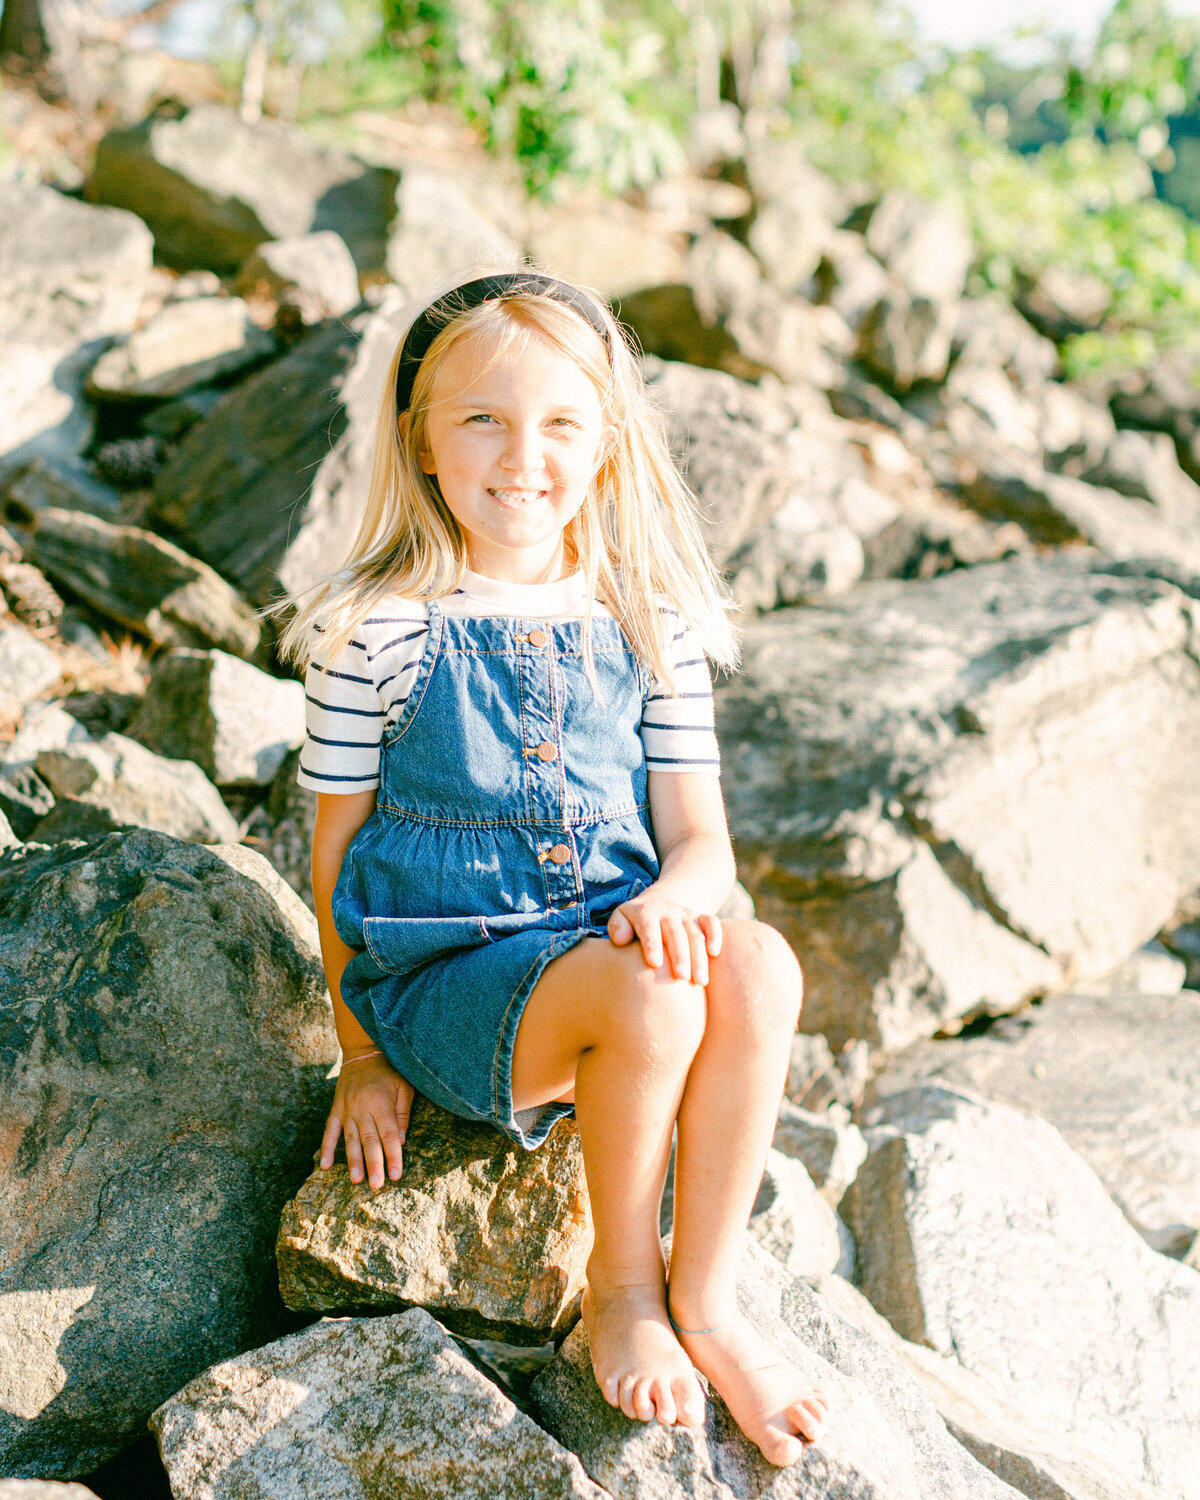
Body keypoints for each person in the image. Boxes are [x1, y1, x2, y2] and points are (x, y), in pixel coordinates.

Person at [272, 269, 829, 1466]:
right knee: (649, 990)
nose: (523, 455)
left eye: (561, 424)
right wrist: (360, 1057)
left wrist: (680, 900)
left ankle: (710, 1296)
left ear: (607, 444)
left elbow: (700, 846)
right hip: (452, 985)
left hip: (617, 958)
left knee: (763, 966)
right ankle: (625, 1293)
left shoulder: (650, 615)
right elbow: (334, 858)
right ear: (420, 439)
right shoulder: (377, 626)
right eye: (482, 418)